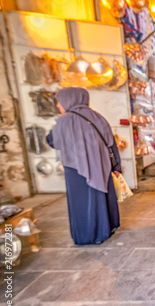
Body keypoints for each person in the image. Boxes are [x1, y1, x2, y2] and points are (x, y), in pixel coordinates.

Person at [46, 88, 121, 245]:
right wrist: (117, 167)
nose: (59, 106)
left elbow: (52, 141)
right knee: (103, 196)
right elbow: (111, 144)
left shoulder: (66, 120)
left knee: (83, 201)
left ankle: (88, 235)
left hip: (77, 170)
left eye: (59, 102)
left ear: (69, 100)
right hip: (102, 166)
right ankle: (107, 228)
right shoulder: (98, 117)